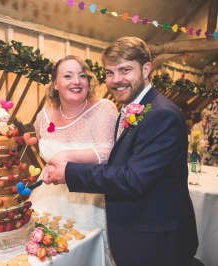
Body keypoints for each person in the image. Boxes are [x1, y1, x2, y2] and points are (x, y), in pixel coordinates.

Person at [43, 37, 198, 266]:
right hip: (136, 235)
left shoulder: (162, 114)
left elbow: (133, 179)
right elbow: (120, 164)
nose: (116, 81)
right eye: (109, 73)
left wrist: (70, 172)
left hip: (157, 242)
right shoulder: (130, 108)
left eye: (125, 70)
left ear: (146, 69)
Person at [30, 55, 118, 265]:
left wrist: (65, 157)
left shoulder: (103, 109)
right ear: (55, 84)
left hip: (90, 202)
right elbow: (43, 146)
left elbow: (108, 153)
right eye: (68, 76)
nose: (76, 81)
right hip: (46, 200)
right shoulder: (44, 116)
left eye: (82, 76)